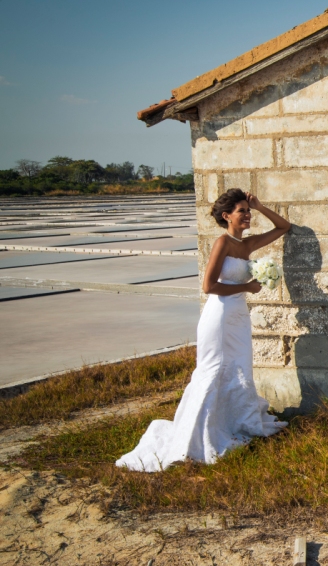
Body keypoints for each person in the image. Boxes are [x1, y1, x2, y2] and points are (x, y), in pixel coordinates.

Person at [117, 189, 291, 472]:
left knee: (239, 366)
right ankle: (202, 431)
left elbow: (283, 227)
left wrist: (260, 206)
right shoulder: (222, 242)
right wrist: (246, 286)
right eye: (242, 211)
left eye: (248, 211)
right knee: (215, 368)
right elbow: (209, 286)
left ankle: (236, 421)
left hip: (238, 316)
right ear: (227, 216)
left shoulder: (247, 245)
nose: (247, 215)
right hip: (219, 315)